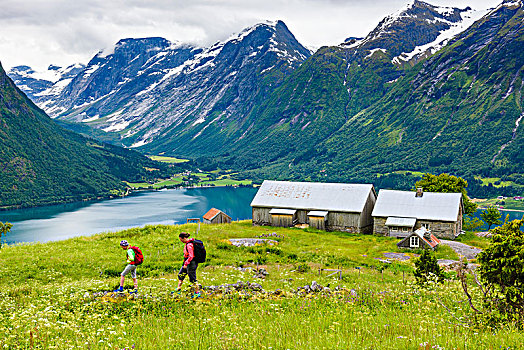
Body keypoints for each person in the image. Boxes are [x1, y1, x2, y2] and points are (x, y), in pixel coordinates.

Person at [176, 232, 200, 297]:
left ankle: (197, 292)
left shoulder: (189, 245)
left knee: (192, 278)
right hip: (186, 262)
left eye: (181, 239)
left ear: (184, 238)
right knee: (181, 274)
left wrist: (186, 264)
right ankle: (178, 289)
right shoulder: (187, 243)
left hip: (191, 263)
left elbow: (191, 256)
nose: (181, 241)